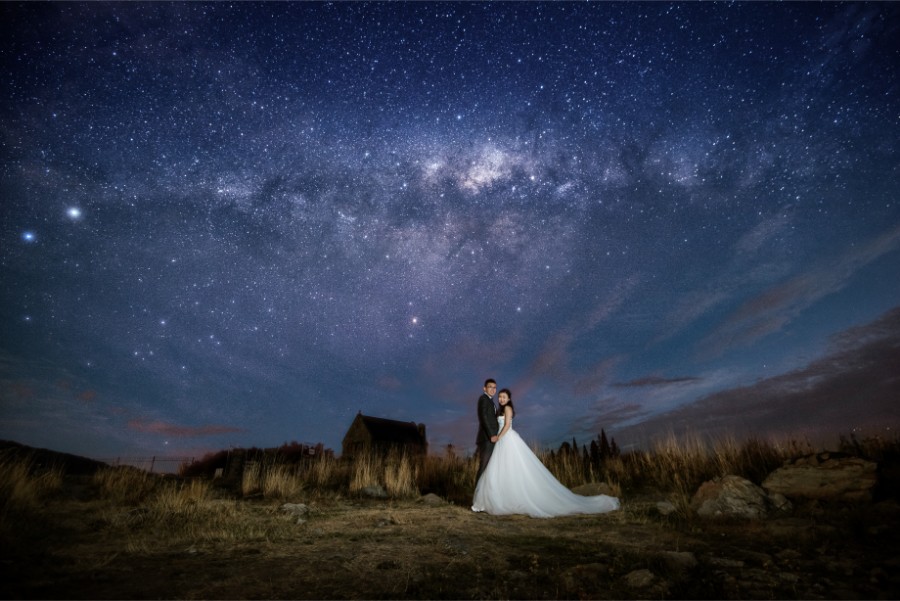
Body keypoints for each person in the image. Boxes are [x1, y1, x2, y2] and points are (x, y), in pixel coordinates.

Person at [471, 388, 620, 518]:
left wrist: (498, 437)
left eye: (504, 397)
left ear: (509, 399)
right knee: (500, 470)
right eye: (500, 397)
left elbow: (507, 425)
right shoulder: (500, 409)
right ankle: (501, 499)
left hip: (507, 439)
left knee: (514, 468)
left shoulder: (508, 409)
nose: (501, 399)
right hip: (501, 441)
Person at [475, 378, 499, 481]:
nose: (493, 389)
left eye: (494, 387)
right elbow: (483, 417)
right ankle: (477, 495)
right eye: (490, 387)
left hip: (492, 438)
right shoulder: (483, 399)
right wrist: (491, 435)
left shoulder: (491, 402)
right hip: (487, 438)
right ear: (484, 388)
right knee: (484, 466)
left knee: (489, 467)